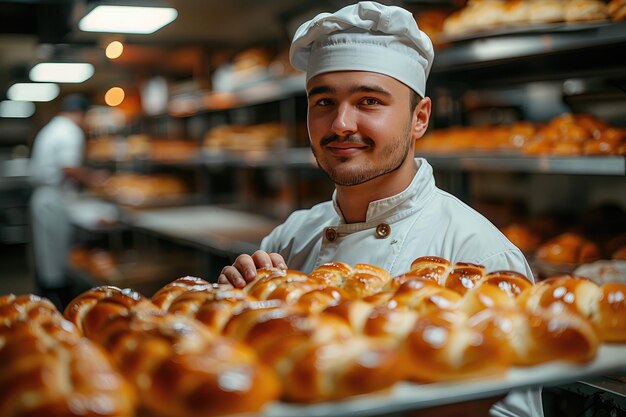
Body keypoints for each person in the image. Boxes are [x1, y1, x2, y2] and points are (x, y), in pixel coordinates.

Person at [218, 2, 542, 416]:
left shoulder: (482, 257)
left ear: (419, 118)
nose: (340, 125)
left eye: (368, 101)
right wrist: (235, 317)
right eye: (323, 103)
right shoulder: (290, 236)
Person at [29, 93, 99, 309]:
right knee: (56, 258)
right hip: (52, 198)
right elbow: (69, 168)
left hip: (43, 196)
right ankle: (58, 308)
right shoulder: (70, 131)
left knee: (47, 255)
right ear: (80, 114)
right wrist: (95, 179)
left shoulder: (52, 128)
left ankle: (48, 303)